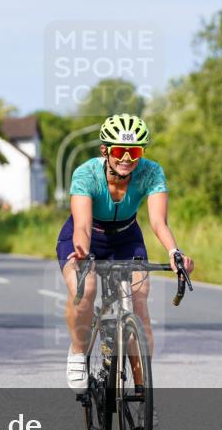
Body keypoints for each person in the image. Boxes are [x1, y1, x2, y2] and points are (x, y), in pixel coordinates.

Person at [57, 113, 194, 395]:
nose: (127, 158)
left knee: (139, 304)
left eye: (135, 152)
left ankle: (144, 392)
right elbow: (81, 224)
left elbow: (158, 222)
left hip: (127, 238)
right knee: (87, 288)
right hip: (86, 239)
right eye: (120, 151)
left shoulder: (151, 172)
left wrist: (173, 251)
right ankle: (77, 353)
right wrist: (82, 250)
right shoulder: (86, 173)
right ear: (105, 150)